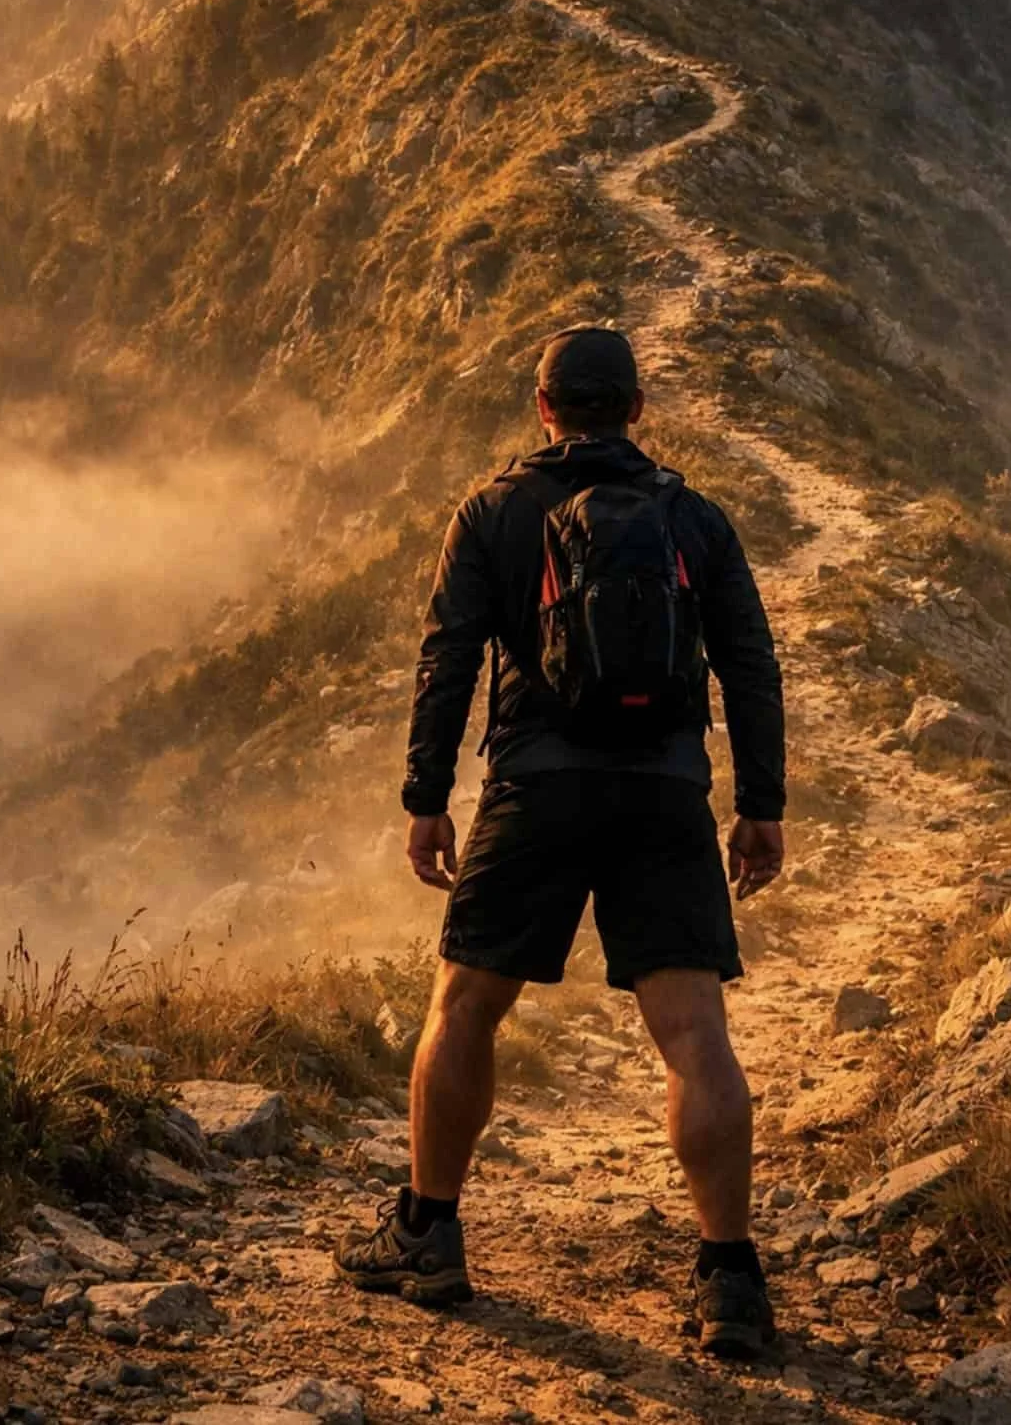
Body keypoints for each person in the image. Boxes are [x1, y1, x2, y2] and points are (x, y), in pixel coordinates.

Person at [335, 325, 785, 1358]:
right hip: (664, 796)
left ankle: (428, 1231)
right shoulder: (694, 518)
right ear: (639, 406)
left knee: (465, 1007)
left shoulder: (494, 510)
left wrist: (426, 794)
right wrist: (761, 803)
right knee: (693, 1034)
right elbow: (750, 662)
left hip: (534, 790)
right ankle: (730, 1279)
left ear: (543, 407)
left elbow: (446, 657)